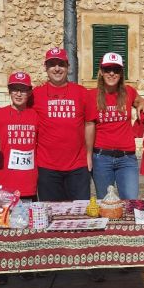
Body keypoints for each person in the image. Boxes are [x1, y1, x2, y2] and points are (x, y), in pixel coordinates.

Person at [32, 47, 95, 201]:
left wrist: (89, 154)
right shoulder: (35, 94)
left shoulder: (81, 92)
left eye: (61, 64)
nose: (57, 68)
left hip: (78, 166)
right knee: (51, 214)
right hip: (47, 166)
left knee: (80, 214)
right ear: (46, 68)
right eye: (52, 64)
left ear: (68, 67)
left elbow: (89, 124)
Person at [88, 52, 144, 199]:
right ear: (101, 72)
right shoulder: (91, 95)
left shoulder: (129, 92)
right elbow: (87, 125)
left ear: (121, 73)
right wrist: (88, 155)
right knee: (105, 203)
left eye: (116, 69)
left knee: (130, 202)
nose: (112, 73)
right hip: (101, 158)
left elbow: (140, 102)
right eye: (108, 69)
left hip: (127, 159)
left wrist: (141, 103)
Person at [0, 71, 37, 200]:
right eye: (14, 89)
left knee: (26, 219)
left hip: (29, 182)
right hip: (5, 181)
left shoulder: (36, 115)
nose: (18, 94)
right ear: (9, 91)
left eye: (23, 90)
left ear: (29, 92)